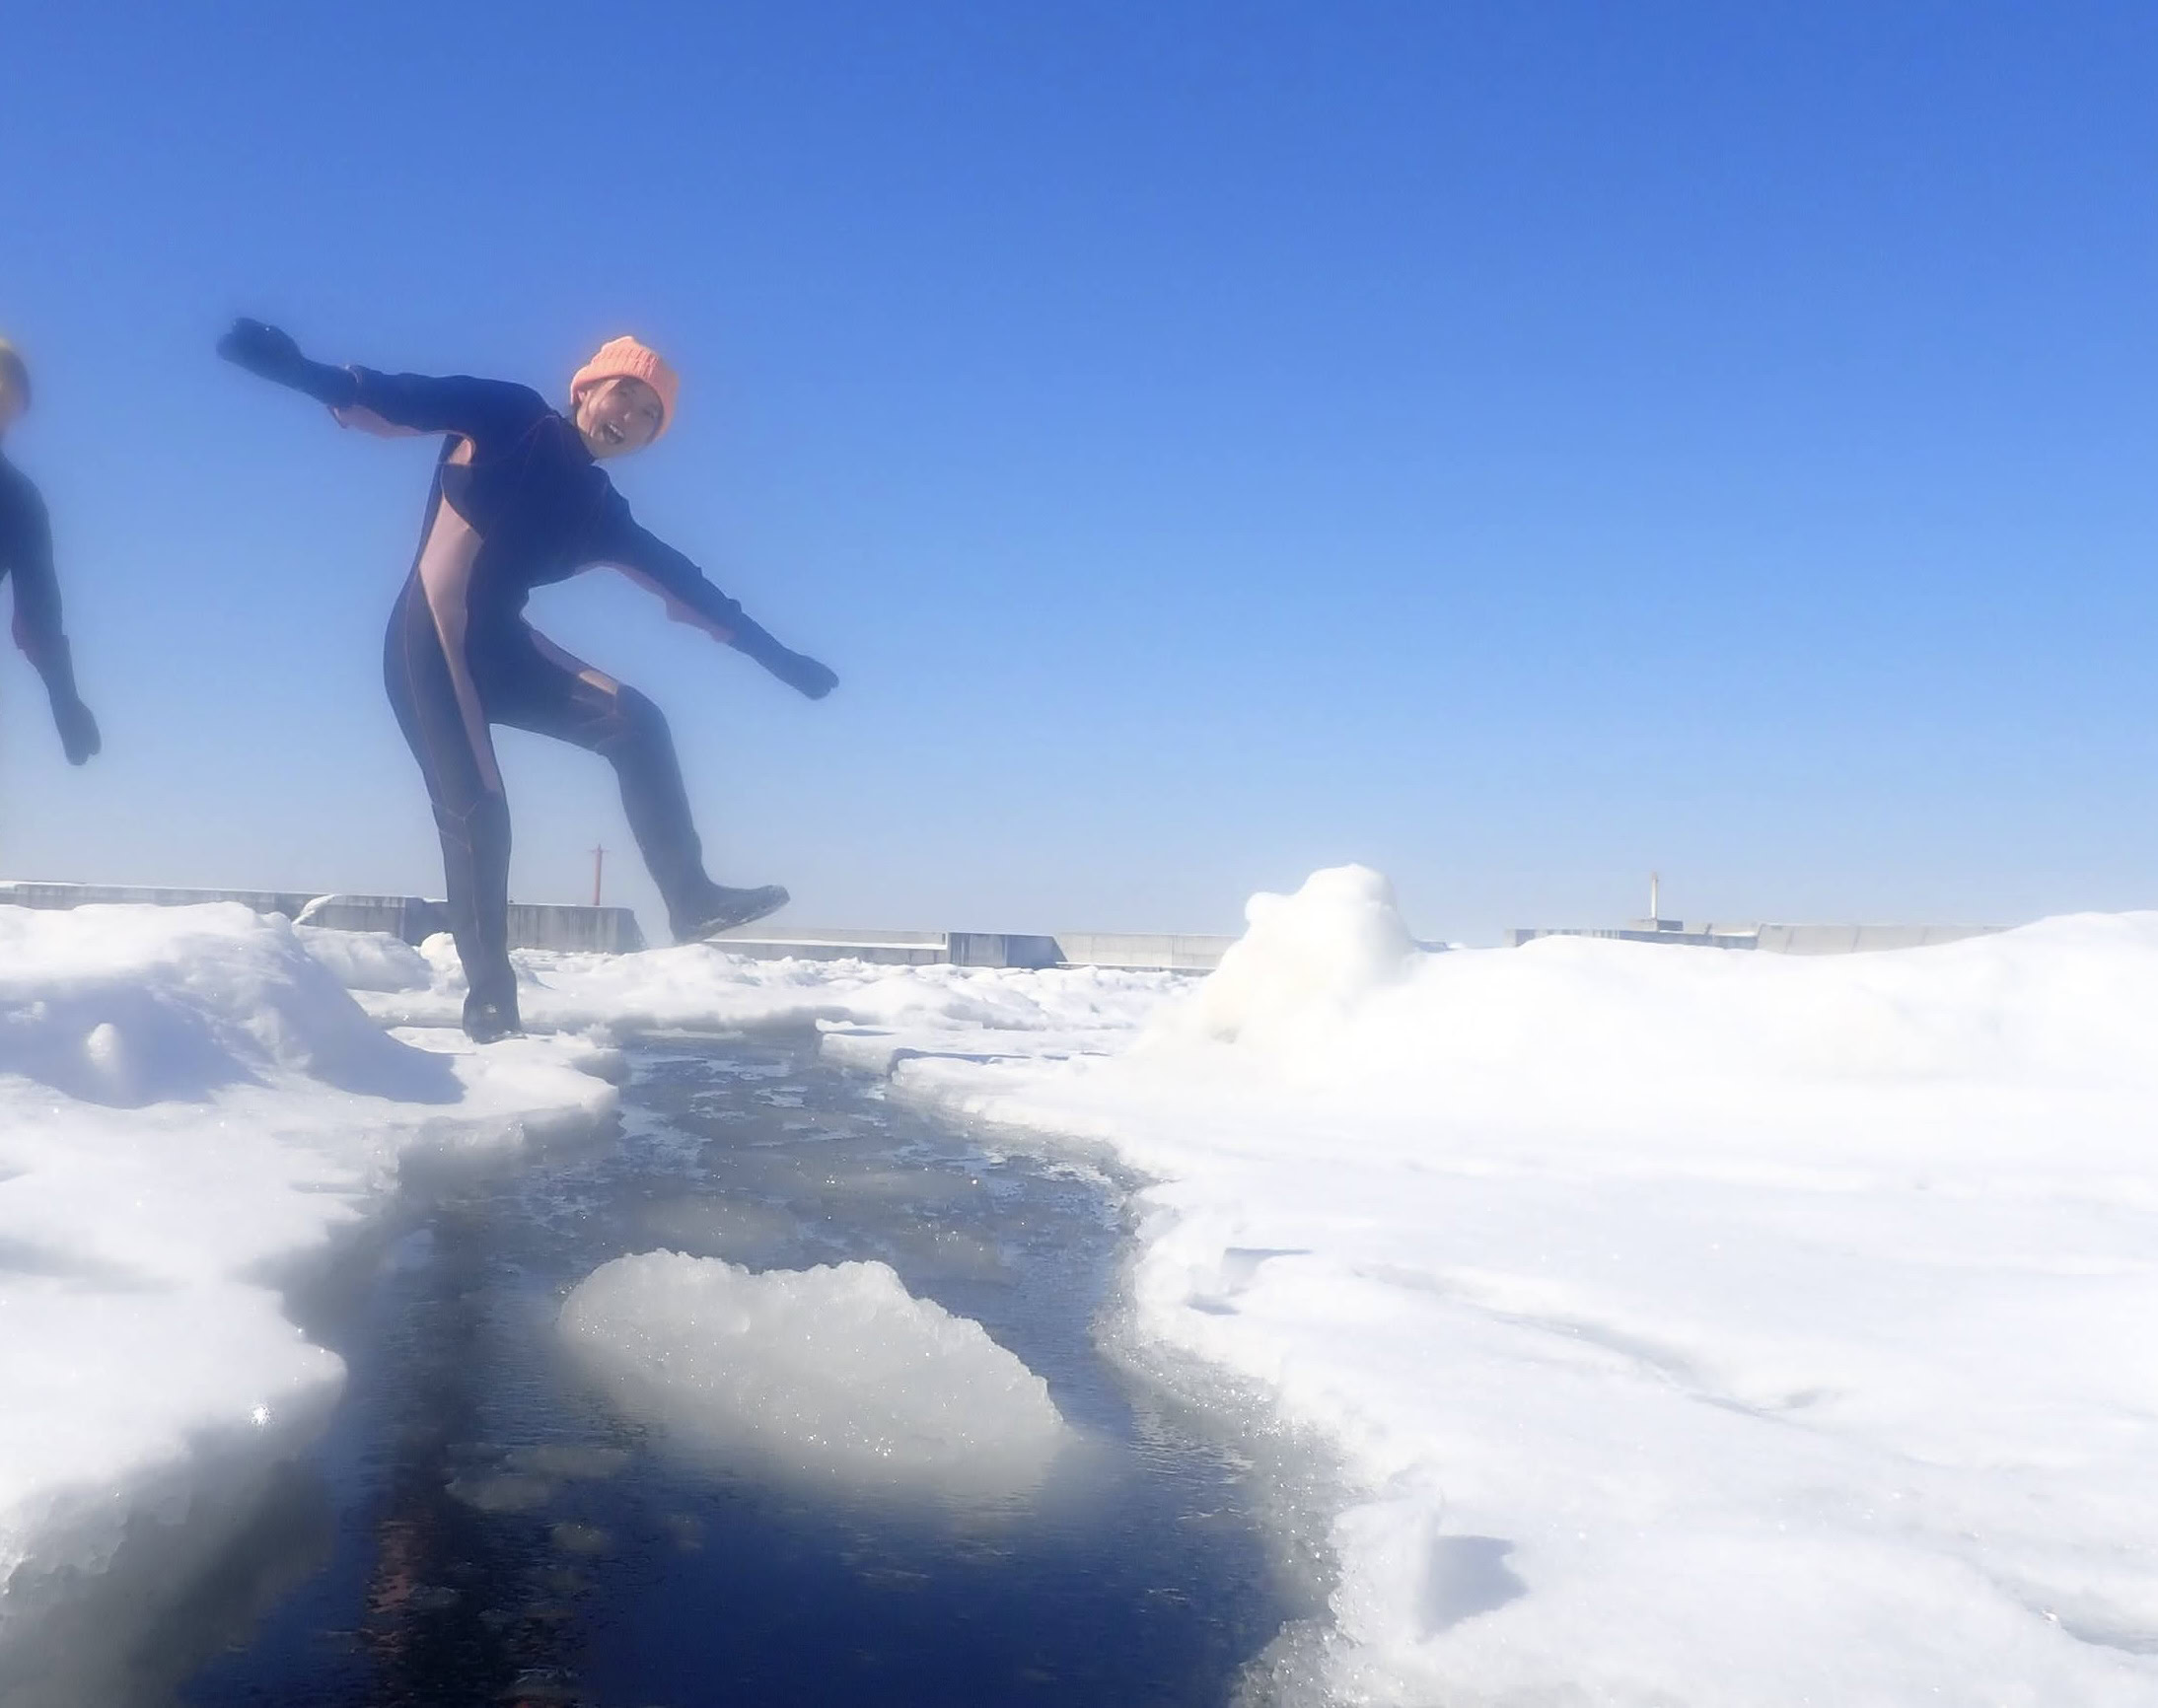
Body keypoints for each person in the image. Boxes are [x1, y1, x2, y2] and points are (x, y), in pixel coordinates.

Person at [216, 318, 835, 1042]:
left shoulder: (598, 509)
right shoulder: (511, 417)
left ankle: (691, 897)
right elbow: (397, 398)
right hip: (431, 640)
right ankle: (490, 997)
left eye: (648, 418)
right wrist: (297, 370)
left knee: (639, 723)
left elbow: (688, 587)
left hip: (503, 650)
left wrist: (778, 658)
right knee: (481, 806)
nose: (629, 421)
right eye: (624, 397)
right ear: (587, 389)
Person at [0, 338, 102, 770]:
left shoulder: (21, 502)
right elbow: (34, 626)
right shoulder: (20, 500)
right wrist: (64, 700)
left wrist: (65, 699)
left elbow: (36, 622)